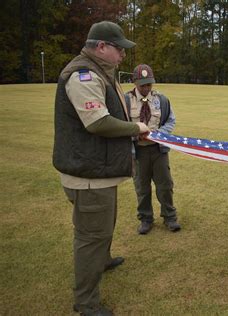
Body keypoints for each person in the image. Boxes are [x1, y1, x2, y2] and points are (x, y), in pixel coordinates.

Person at [53, 21, 150, 315]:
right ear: (101, 47)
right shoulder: (83, 75)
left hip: (97, 169)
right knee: (91, 236)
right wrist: (136, 127)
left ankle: (102, 259)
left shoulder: (98, 71)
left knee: (102, 227)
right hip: (88, 173)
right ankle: (86, 302)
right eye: (119, 48)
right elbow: (97, 122)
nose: (123, 55)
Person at [124, 64, 181, 234]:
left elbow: (170, 121)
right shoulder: (125, 101)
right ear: (134, 82)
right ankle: (146, 219)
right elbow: (121, 125)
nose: (146, 87)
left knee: (165, 185)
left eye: (149, 84)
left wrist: (157, 135)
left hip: (158, 151)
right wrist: (135, 134)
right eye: (142, 84)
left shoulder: (161, 99)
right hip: (138, 151)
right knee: (142, 187)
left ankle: (170, 217)